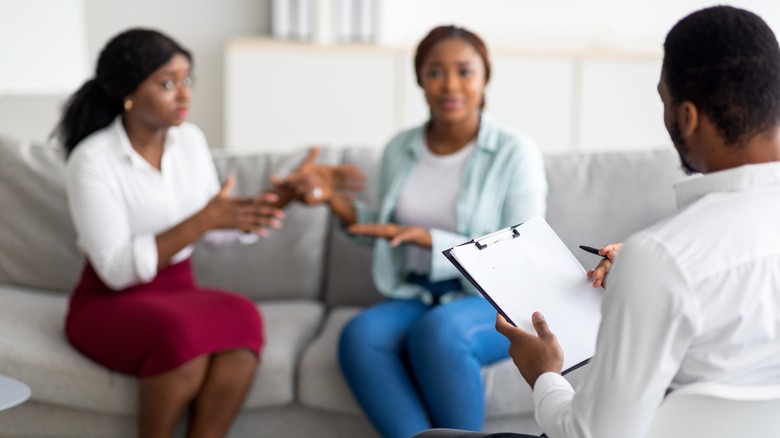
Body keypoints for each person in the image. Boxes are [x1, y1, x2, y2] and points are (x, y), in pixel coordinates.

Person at [413, 5, 780, 438]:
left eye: (663, 101)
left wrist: (544, 374)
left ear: (687, 116)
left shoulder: (664, 257)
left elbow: (590, 434)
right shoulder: (663, 261)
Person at [282, 25, 548, 438]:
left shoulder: (515, 152)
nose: (450, 85)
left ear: (485, 76)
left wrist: (433, 241)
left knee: (440, 334)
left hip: (491, 300)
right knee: (360, 336)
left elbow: (522, 251)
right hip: (417, 292)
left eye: (464, 71)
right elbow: (383, 227)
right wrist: (331, 198)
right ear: (420, 80)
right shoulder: (400, 148)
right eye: (435, 72)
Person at [55, 28, 286, 437]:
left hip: (179, 291)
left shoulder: (190, 142)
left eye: (186, 80)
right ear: (128, 92)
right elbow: (116, 271)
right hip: (108, 302)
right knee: (183, 340)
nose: (184, 95)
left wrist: (281, 199)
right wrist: (203, 219)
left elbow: (217, 229)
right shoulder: (92, 160)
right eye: (167, 83)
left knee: (244, 318)